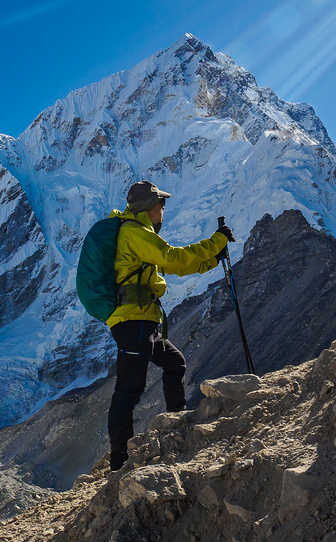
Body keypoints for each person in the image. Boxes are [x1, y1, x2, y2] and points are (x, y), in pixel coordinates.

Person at [106, 180, 233, 471]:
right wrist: (216, 241)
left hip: (143, 320)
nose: (164, 209)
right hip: (133, 320)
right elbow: (172, 257)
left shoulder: (140, 234)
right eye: (161, 204)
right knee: (128, 390)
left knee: (175, 362)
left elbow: (172, 266)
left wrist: (211, 259)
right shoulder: (135, 233)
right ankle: (119, 462)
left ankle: (176, 423)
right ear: (149, 208)